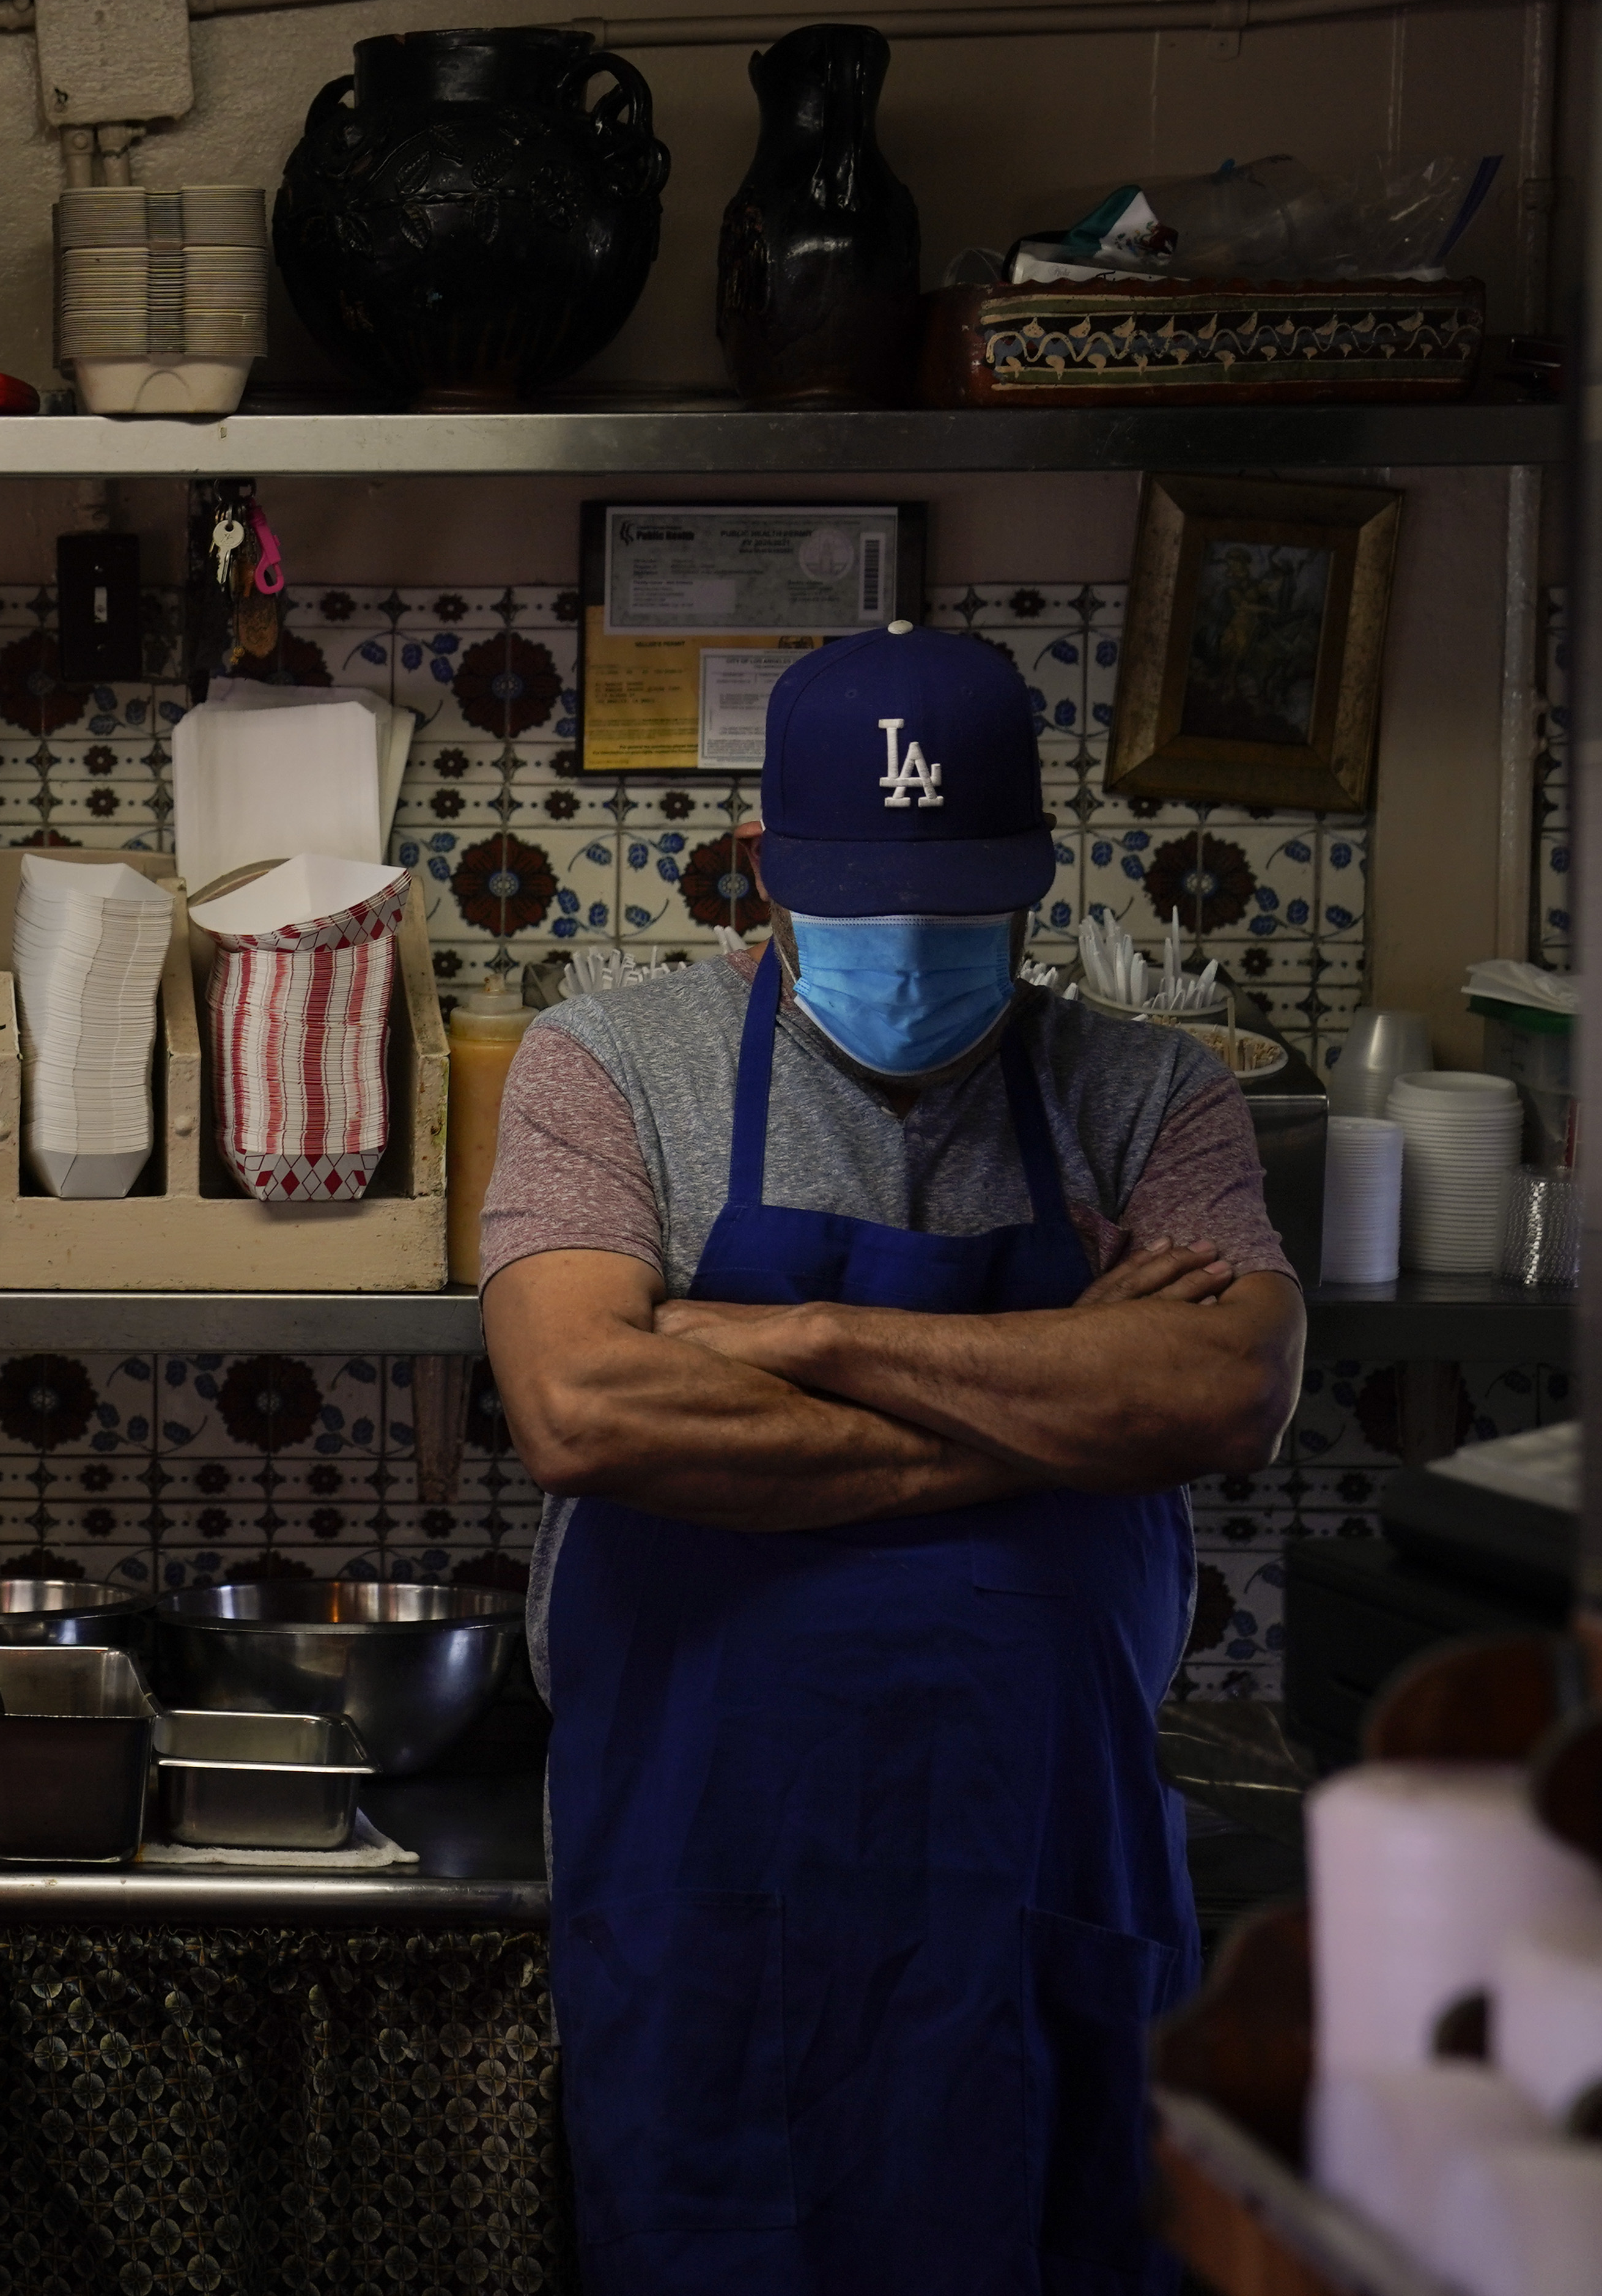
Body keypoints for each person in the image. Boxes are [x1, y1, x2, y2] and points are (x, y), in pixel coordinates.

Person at [478, 623, 1305, 2290]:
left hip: (1041, 1873)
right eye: (862, 902)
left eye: (958, 907)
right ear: (766, 872)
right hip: (711, 1888)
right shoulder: (609, 1066)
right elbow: (582, 1410)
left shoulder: (1152, 1092)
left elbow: (1228, 1398)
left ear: (1035, 878)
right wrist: (1062, 1404)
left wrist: (795, 1336)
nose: (912, 949)